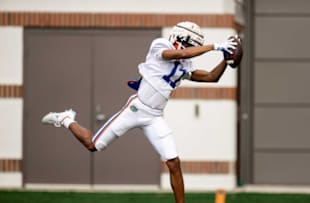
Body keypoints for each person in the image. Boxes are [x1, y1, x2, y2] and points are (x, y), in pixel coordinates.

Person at [41, 21, 236, 203]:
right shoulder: (160, 45)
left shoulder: (185, 65)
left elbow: (211, 77)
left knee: (174, 163)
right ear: (181, 39)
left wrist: (226, 61)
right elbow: (180, 55)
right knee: (93, 145)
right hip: (136, 108)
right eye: (192, 44)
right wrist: (214, 46)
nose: (191, 48)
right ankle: (66, 119)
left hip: (155, 117)